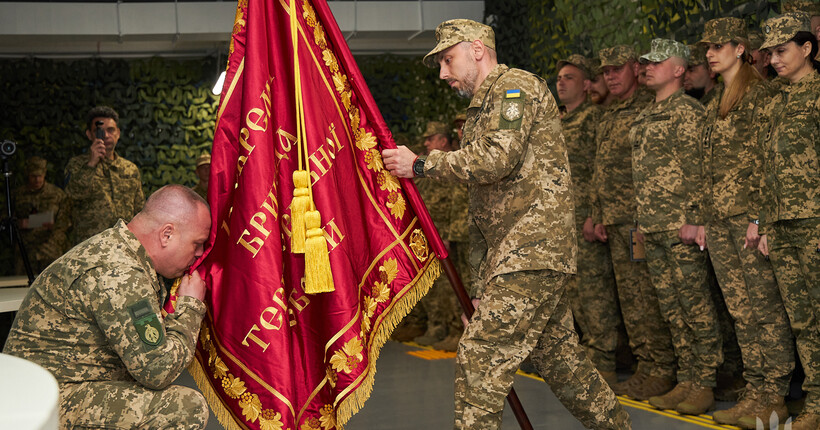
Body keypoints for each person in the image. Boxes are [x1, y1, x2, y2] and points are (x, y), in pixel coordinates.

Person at [382, 19, 630, 430]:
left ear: (477, 49)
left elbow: (496, 159)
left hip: (532, 247)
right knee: (563, 364)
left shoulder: (515, 88)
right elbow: (484, 206)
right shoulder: (482, 107)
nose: (443, 73)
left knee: (480, 357)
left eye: (448, 59)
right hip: (517, 253)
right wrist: (481, 286)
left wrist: (422, 164)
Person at [3, 184, 211, 429]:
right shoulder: (119, 272)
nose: (200, 253)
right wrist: (190, 306)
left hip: (53, 388)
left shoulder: (120, 253)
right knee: (183, 407)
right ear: (167, 234)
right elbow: (158, 370)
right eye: (197, 243)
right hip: (41, 401)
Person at [697, 17, 795, 429]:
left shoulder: (760, 96)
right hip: (719, 219)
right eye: (707, 47)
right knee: (741, 310)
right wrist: (704, 218)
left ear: (740, 48)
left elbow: (766, 161)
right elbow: (707, 166)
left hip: (747, 218)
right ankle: (754, 390)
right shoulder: (713, 101)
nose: (709, 53)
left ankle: (774, 395)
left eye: (718, 46)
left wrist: (759, 217)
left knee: (765, 308)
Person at [630, 38, 720, 416]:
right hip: (653, 226)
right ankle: (686, 378)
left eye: (657, 62)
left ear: (679, 69)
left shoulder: (688, 112)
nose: (648, 67)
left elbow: (700, 169)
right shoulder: (645, 114)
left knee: (695, 306)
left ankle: (705, 382)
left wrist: (696, 219)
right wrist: (641, 222)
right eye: (646, 62)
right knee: (671, 309)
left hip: (680, 226)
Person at [591, 44, 677, 401]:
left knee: (647, 297)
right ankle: (646, 366)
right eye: (606, 71)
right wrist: (598, 214)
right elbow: (600, 169)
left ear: (635, 70)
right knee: (630, 300)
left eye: (617, 69)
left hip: (640, 221)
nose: (610, 76)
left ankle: (661, 367)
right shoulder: (609, 113)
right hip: (615, 221)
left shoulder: (648, 107)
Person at [755, 12, 820, 429]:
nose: (774, 60)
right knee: (803, 322)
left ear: (807, 48)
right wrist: (763, 223)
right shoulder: (775, 99)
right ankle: (816, 403)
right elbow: (765, 167)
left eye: (782, 51)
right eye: (771, 53)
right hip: (780, 224)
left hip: (814, 221)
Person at [556, 54, 621, 385]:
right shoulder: (556, 123)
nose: (561, 83)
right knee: (573, 294)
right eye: (558, 78)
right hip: (561, 223)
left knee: (595, 292)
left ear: (585, 85)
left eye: (569, 77)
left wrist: (595, 214)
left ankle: (604, 360)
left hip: (585, 220)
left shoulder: (595, 119)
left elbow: (602, 168)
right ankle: (586, 354)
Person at [413, 121, 469, 351]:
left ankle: (457, 330)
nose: (426, 142)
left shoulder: (452, 164)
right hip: (434, 233)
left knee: (457, 285)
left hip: (455, 234)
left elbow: (452, 204)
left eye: (431, 138)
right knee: (435, 285)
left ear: (443, 141)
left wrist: (446, 234)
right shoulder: (430, 166)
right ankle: (438, 327)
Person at [65, 106, 145, 244]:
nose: (106, 135)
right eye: (100, 131)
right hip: (90, 245)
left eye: (111, 130)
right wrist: (91, 164)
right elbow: (72, 196)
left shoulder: (130, 169)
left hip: (123, 245)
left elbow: (139, 210)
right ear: (89, 134)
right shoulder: (77, 165)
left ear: (118, 133)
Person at [12, 156, 71, 275]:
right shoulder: (17, 195)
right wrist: (19, 223)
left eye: (40, 176)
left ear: (45, 174)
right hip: (25, 252)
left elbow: (66, 221)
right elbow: (5, 219)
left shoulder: (57, 194)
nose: (37, 180)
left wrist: (53, 227)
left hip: (50, 250)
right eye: (33, 176)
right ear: (28, 175)